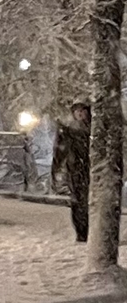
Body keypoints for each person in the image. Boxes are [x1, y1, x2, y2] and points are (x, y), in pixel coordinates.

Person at [54, 99, 92, 244]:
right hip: (76, 170)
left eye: (83, 110)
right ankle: (82, 233)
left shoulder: (93, 129)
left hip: (90, 169)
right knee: (78, 202)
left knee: (89, 202)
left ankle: (89, 231)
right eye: (77, 111)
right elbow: (59, 152)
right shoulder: (68, 131)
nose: (80, 113)